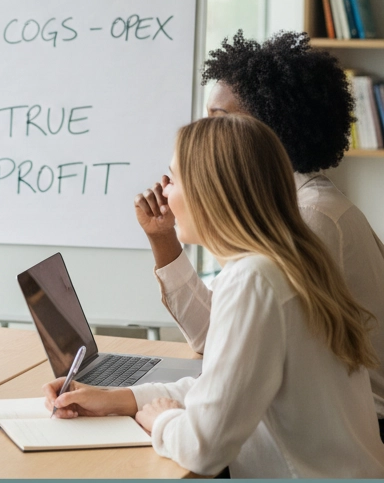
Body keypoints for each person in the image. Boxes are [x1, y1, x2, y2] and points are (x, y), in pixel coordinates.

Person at [45, 114, 384, 479]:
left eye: (172, 179)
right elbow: (227, 385)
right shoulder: (294, 263)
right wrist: (122, 400)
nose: (165, 193)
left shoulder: (253, 280)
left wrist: (161, 420)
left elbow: (203, 448)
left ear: (210, 191)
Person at [136, 30, 384, 440]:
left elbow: (213, 338)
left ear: (269, 127)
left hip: (347, 433)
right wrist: (165, 240)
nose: (206, 134)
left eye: (220, 120)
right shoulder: (290, 205)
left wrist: (156, 414)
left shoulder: (310, 217)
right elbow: (223, 338)